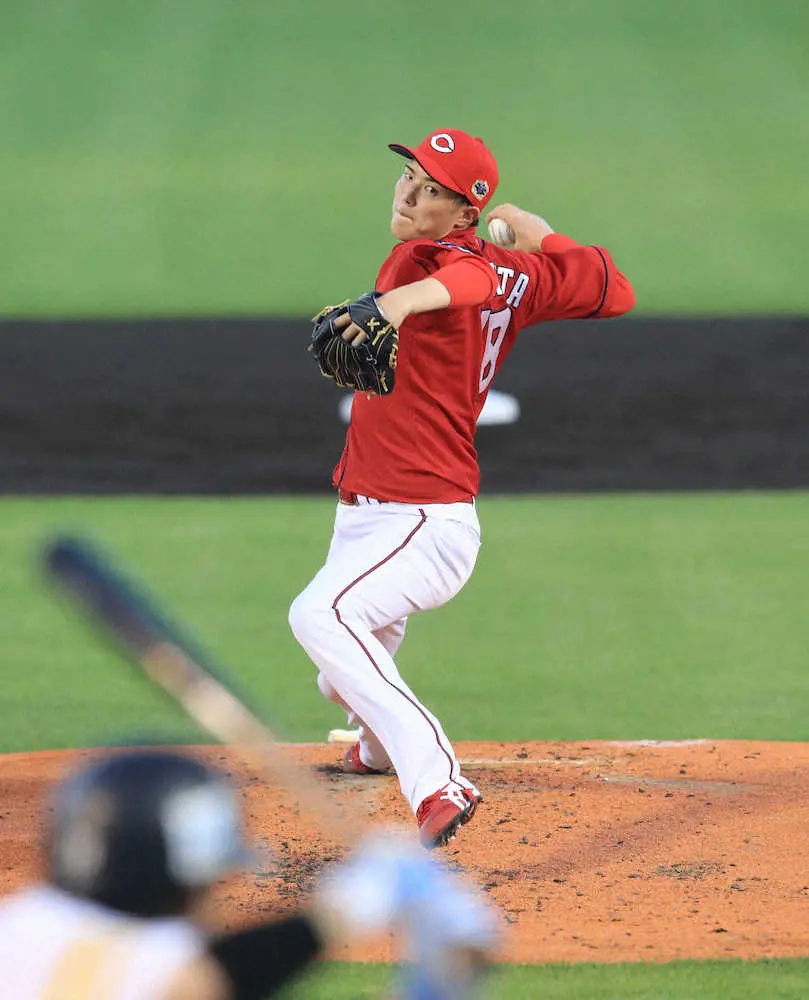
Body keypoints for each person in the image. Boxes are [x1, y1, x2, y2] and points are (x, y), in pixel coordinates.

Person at [289, 127, 636, 849]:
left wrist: (397, 304)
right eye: (408, 176)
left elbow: (467, 281)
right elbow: (613, 290)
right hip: (374, 517)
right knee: (344, 667)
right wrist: (543, 238)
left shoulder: (428, 261)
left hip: (423, 520)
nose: (408, 195)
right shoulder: (523, 275)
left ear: (464, 213)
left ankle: (439, 782)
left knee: (321, 616)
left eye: (431, 190)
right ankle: (374, 749)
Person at [0, 747, 496, 999]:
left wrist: (338, 913)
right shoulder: (152, 970)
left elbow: (211, 975)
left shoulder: (15, 928)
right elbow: (193, 979)